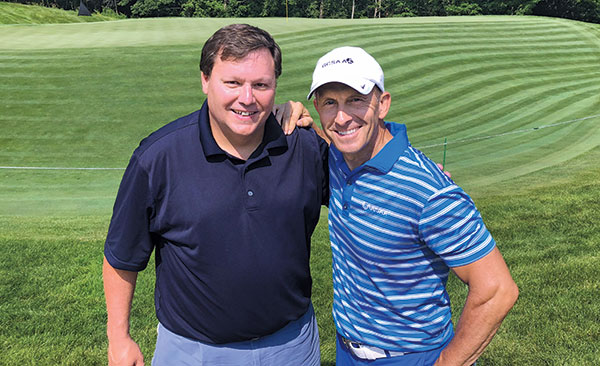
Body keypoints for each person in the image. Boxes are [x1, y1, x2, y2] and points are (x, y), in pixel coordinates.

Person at [102, 24, 328, 366]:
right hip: (192, 351)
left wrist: (428, 182)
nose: (247, 98)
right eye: (233, 83)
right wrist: (119, 338)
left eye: (261, 85)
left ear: (275, 86)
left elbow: (362, 183)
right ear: (205, 80)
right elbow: (122, 256)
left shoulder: (302, 145)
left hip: (292, 345)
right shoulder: (158, 157)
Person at [304, 46, 519, 365]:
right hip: (347, 350)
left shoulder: (429, 191)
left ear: (383, 104)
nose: (342, 117)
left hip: (412, 356)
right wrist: (292, 112)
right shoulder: (338, 159)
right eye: (329, 103)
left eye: (356, 100)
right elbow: (327, 137)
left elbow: (497, 290)